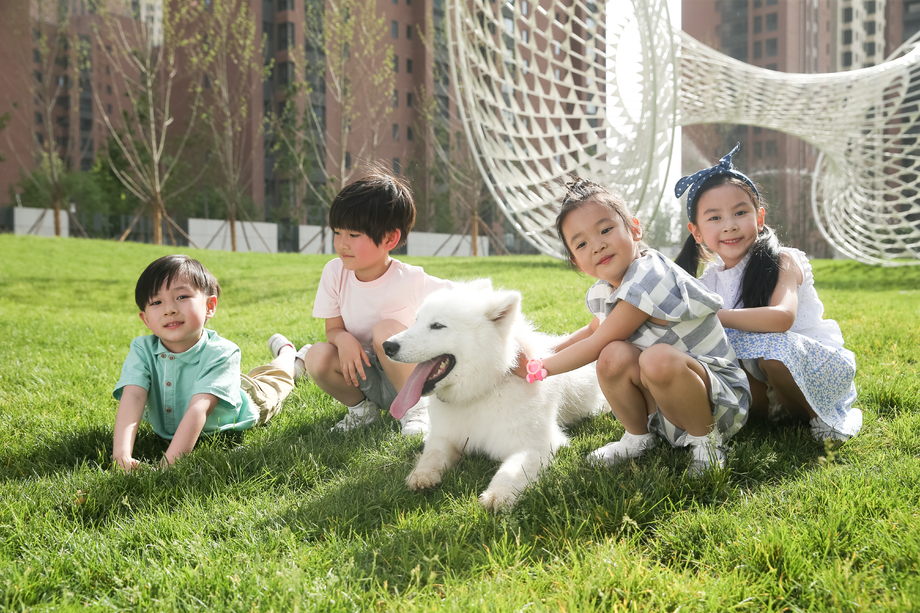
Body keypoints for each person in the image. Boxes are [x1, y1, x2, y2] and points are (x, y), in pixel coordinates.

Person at [523, 179, 751, 475]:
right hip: (669, 400)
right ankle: (637, 438)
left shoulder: (648, 276)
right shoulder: (607, 289)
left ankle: (707, 443)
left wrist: (540, 369)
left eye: (606, 230)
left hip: (718, 402)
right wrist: (541, 352)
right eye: (582, 244)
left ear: (634, 229)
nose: (598, 245)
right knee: (612, 356)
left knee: (654, 358)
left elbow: (595, 342)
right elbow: (592, 332)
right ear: (577, 262)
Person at [675, 143, 861, 442]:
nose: (730, 226)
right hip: (764, 373)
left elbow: (782, 318)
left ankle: (819, 417)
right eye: (714, 218)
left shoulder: (783, 259)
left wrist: (714, 315)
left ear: (759, 218)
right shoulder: (709, 280)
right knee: (720, 354)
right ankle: (771, 412)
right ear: (696, 232)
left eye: (740, 212)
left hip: (813, 366)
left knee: (772, 353)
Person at [112, 254, 308, 472]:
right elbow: (133, 395)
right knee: (257, 376)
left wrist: (168, 465)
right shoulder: (142, 350)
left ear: (209, 306)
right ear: (146, 319)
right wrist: (121, 456)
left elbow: (199, 408)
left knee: (276, 378)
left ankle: (290, 356)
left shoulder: (223, 352)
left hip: (250, 400)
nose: (169, 309)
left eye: (182, 297)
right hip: (221, 381)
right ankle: (293, 360)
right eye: (156, 302)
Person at [303, 168, 453, 436]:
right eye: (338, 232)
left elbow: (465, 298)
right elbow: (333, 330)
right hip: (363, 375)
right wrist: (343, 339)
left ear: (389, 238)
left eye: (354, 235)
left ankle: (416, 411)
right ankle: (362, 412)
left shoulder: (411, 280)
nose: (342, 244)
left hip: (409, 378)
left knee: (384, 331)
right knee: (316, 355)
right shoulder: (334, 273)